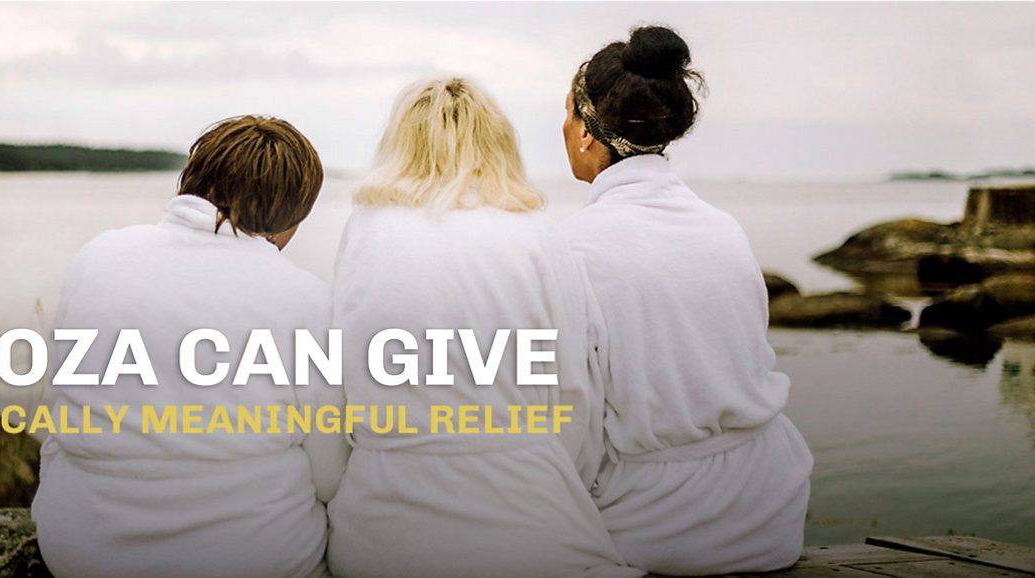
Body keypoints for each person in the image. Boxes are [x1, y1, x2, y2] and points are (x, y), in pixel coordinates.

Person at [327, 77, 643, 578]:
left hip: (380, 527)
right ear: (497, 140)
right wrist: (555, 473)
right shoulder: (538, 232)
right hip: (530, 524)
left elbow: (345, 378)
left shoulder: (365, 227)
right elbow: (575, 390)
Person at [32, 116, 349, 578]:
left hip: (81, 553)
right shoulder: (307, 301)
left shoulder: (98, 258)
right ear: (290, 218)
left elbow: (58, 413)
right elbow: (330, 475)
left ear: (192, 180)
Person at [559, 26, 814, 575]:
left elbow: (572, 423)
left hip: (656, 525)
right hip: (769, 509)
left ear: (585, 133)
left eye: (568, 115)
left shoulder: (573, 249)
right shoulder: (725, 230)